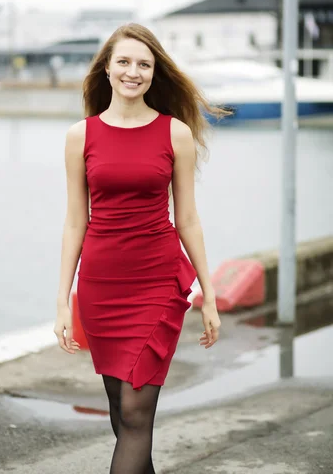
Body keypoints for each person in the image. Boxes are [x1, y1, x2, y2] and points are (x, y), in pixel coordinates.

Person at [54, 23, 228, 474]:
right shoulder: (80, 136)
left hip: (155, 281)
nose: (134, 72)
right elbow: (76, 220)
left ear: (155, 73)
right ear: (107, 69)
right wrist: (61, 302)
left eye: (144, 64)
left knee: (134, 415)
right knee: (123, 415)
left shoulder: (175, 134)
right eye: (125, 62)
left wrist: (209, 295)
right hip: (101, 287)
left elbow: (187, 218)